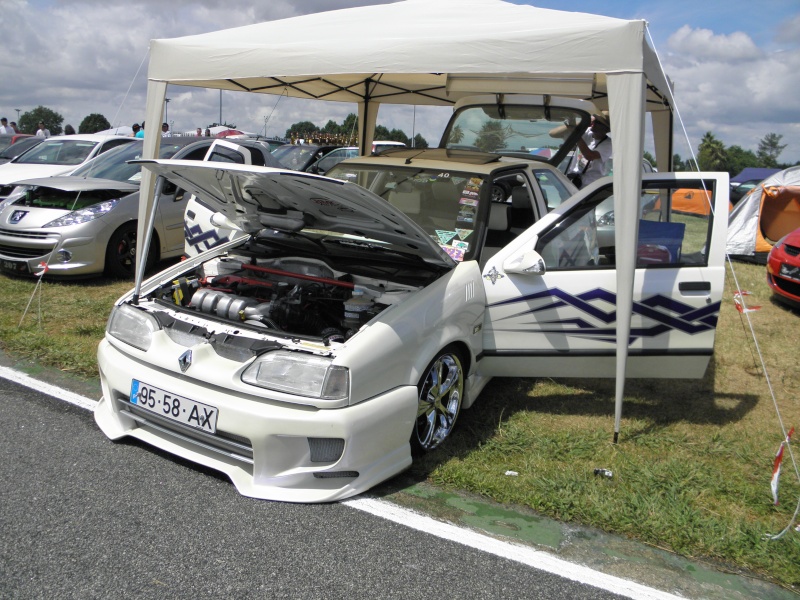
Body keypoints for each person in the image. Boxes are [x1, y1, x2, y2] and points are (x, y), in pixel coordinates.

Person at [568, 112, 612, 189]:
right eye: (594, 120)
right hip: (573, 180)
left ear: (606, 128)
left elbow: (589, 155)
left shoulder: (609, 144)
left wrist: (576, 133)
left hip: (589, 186)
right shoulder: (587, 132)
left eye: (597, 122)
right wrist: (581, 123)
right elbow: (553, 133)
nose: (593, 123)